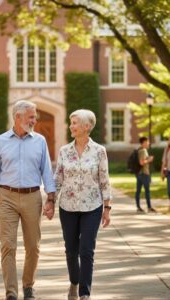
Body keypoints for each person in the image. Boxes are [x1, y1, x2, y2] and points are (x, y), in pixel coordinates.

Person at [0, 100, 55, 300]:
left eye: (35, 117)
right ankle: (11, 292)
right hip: (6, 197)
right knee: (8, 245)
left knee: (33, 246)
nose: (35, 120)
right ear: (18, 117)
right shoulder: (0, 141)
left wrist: (51, 200)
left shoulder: (40, 141)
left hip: (33, 197)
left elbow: (47, 173)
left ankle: (29, 286)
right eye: (31, 117)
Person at [52, 109, 111, 300]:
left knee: (87, 250)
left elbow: (104, 180)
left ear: (87, 126)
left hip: (92, 207)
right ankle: (74, 282)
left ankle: (85, 293)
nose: (71, 126)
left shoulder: (99, 151)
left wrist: (107, 208)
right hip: (67, 207)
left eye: (75, 122)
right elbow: (58, 178)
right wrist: (50, 201)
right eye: (71, 122)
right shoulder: (64, 151)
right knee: (71, 250)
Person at [135, 137, 156, 213]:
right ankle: (149, 207)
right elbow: (142, 162)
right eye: (147, 142)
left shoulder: (139, 150)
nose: (148, 143)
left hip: (139, 173)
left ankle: (138, 207)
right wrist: (149, 160)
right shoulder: (143, 150)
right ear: (143, 142)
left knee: (138, 191)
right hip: (144, 173)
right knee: (147, 191)